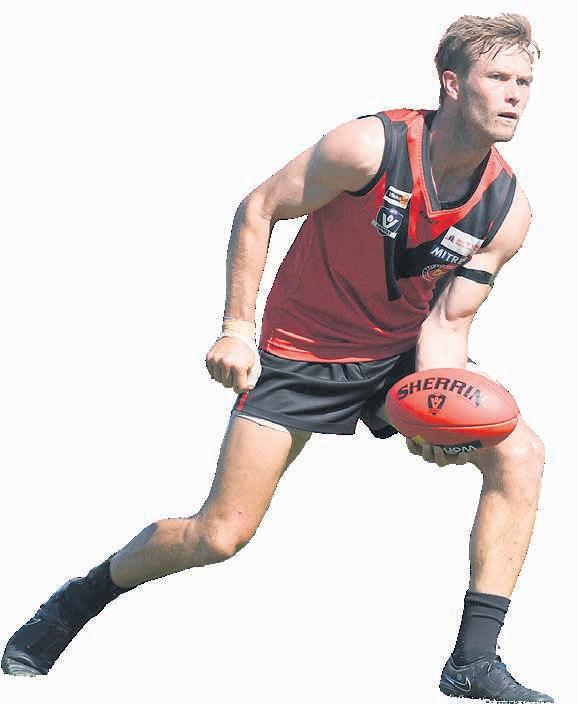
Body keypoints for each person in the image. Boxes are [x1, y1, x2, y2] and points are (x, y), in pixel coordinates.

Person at [2, 12, 553, 702]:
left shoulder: (507, 210)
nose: (515, 95)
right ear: (451, 83)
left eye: (525, 82)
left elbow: (448, 323)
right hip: (302, 351)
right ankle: (81, 598)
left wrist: (436, 409)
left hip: (395, 356)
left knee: (521, 453)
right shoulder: (368, 147)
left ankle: (472, 660)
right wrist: (237, 327)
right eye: (498, 78)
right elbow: (260, 207)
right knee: (219, 535)